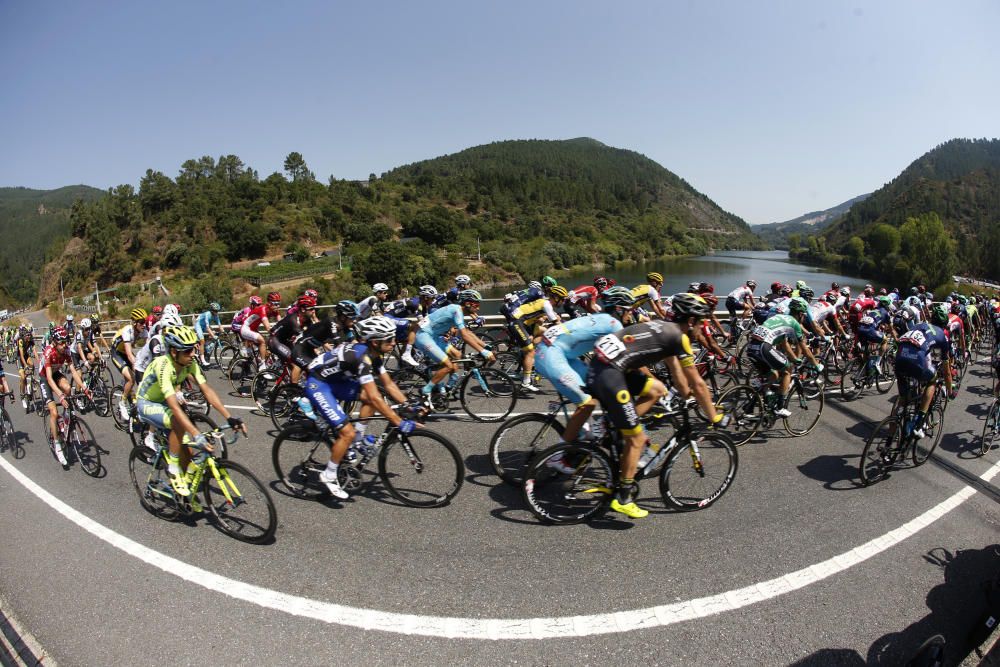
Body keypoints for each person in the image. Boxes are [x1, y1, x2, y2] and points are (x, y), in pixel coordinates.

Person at [585, 293, 725, 519]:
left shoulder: (664, 327)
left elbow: (677, 372)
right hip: (610, 374)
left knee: (656, 389)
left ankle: (614, 425)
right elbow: (698, 384)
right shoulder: (680, 337)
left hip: (604, 366)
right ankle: (623, 497)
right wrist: (714, 417)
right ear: (690, 321)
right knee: (637, 439)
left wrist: (684, 394)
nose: (702, 326)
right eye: (701, 322)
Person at [305, 317, 422, 500]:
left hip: (338, 380)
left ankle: (357, 441)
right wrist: (398, 422)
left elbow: (389, 384)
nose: (394, 342)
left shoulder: (375, 355)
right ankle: (328, 474)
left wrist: (407, 406)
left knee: (369, 399)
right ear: (375, 342)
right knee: (347, 432)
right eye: (389, 340)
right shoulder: (362, 358)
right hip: (319, 384)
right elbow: (375, 397)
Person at [136, 326, 245, 498]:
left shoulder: (189, 363)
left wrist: (229, 417)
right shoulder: (163, 366)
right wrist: (197, 434)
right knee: (178, 421)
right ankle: (172, 468)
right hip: (147, 402)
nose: (192, 353)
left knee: (188, 452)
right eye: (187, 351)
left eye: (193, 349)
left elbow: (207, 390)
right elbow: (173, 406)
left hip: (163, 401)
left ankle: (185, 497)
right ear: (173, 352)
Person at [534, 313, 623, 456]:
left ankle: (582, 431)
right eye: (630, 310)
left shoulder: (604, 318)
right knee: (587, 404)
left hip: (563, 354)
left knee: (596, 384)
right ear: (620, 310)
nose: (632, 314)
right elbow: (623, 358)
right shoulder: (615, 326)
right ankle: (558, 456)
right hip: (550, 355)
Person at [413, 289, 495, 405]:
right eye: (476, 304)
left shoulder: (458, 311)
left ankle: (447, 387)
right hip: (424, 336)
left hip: (435, 337)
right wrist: (483, 352)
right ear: (467, 303)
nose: (478, 308)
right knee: (448, 365)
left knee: (457, 356)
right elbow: (465, 336)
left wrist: (486, 346)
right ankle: (426, 390)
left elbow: (467, 333)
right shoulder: (456, 311)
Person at [745, 298, 823, 418]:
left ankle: (750, 408)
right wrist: (816, 365)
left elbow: (784, 343)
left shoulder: (781, 317)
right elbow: (805, 349)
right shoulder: (794, 323)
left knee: (774, 375)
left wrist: (795, 359)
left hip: (751, 347)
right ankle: (780, 407)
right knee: (787, 371)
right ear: (801, 314)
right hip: (763, 347)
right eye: (804, 316)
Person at [894, 305, 954, 439]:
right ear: (945, 324)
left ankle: (890, 437)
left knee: (902, 400)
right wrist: (950, 391)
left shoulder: (920, 324)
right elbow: (945, 369)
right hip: (917, 359)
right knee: (932, 380)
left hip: (900, 356)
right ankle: (919, 421)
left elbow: (932, 355)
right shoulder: (943, 336)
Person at [38, 327, 90, 466]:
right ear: (54, 342)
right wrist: (60, 396)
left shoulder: (66, 351)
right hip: (45, 377)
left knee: (68, 388)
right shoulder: (49, 352)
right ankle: (57, 445)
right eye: (61, 343)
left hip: (56, 373)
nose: (64, 345)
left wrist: (84, 387)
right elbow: (49, 378)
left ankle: (66, 418)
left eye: (66, 342)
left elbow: (73, 372)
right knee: (53, 412)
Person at [505, 285, 567, 391]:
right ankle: (526, 382)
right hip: (516, 322)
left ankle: (525, 363)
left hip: (525, 324)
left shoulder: (545, 304)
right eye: (563, 299)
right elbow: (556, 323)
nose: (564, 302)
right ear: (556, 298)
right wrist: (569, 332)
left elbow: (549, 318)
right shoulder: (546, 304)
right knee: (530, 351)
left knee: (542, 335)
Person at [112, 308, 149, 420]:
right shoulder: (127, 330)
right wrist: (138, 367)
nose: (144, 325)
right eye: (141, 322)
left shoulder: (144, 331)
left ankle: (131, 393)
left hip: (126, 352)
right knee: (132, 378)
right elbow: (129, 354)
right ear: (134, 322)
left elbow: (149, 349)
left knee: (143, 376)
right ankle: (122, 403)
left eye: (145, 322)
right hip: (117, 353)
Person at [193, 302, 223, 367]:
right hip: (198, 325)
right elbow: (208, 327)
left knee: (212, 334)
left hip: (204, 326)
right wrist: (213, 335)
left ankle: (205, 350)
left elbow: (219, 324)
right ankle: (203, 360)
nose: (216, 312)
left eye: (217, 311)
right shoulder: (207, 314)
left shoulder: (216, 315)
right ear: (212, 310)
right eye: (215, 311)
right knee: (202, 341)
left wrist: (223, 332)